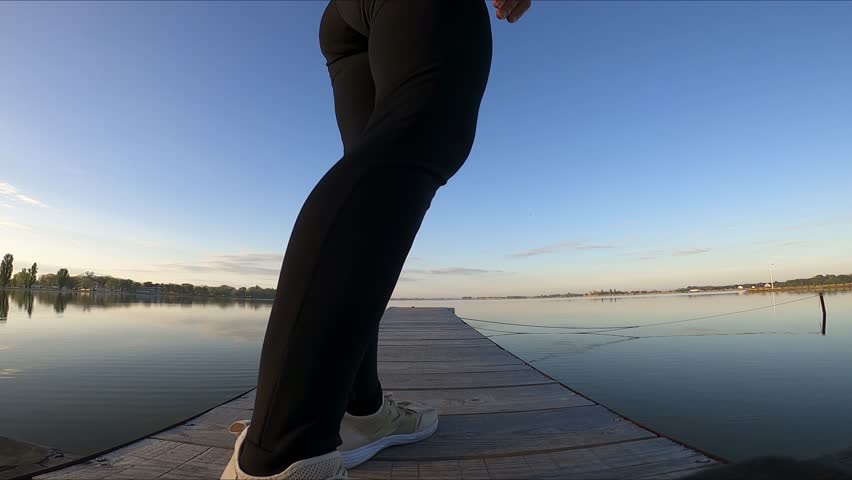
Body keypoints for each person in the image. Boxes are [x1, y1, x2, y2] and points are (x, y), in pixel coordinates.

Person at [221, 1, 531, 479]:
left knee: (376, 167)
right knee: (425, 134)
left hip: (345, 18)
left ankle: (359, 412)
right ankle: (282, 452)